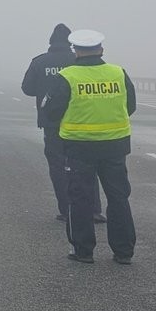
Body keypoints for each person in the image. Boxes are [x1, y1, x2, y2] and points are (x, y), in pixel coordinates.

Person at [43, 30, 138, 265]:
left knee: (80, 198)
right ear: (101, 50)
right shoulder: (118, 73)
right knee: (118, 197)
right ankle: (124, 251)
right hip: (115, 145)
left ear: (76, 51)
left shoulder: (67, 76)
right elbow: (131, 105)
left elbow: (51, 111)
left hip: (79, 147)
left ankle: (83, 251)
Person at [22, 24, 104, 223]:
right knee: (87, 167)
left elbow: (27, 88)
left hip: (52, 124)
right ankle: (93, 209)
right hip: (82, 123)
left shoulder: (39, 62)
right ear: (71, 42)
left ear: (51, 41)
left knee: (58, 167)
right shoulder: (79, 60)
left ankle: (66, 209)